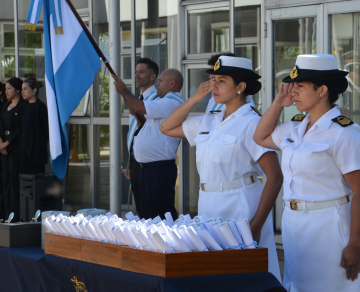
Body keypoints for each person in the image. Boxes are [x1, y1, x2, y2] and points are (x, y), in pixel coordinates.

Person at [159, 56, 282, 281]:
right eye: (213, 79)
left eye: (222, 81)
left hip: (240, 204)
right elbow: (166, 127)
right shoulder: (210, 120)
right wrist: (195, 98)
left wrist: (257, 224)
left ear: (241, 87)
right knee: (214, 274)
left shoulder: (252, 122)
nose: (214, 85)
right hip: (209, 204)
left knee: (246, 275)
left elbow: (275, 177)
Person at [253, 54, 360, 291]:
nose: (293, 92)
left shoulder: (345, 133)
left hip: (328, 225)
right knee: (297, 285)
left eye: (300, 86)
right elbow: (259, 137)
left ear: (322, 90)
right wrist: (277, 104)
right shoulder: (296, 126)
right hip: (294, 224)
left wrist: (355, 243)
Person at [112, 69, 184, 220]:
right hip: (148, 169)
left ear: (172, 83)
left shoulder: (173, 102)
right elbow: (143, 120)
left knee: (160, 217)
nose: (156, 84)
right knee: (147, 216)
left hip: (159, 169)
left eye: (160, 81)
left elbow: (139, 107)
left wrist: (124, 91)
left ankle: (165, 244)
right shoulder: (160, 101)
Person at [124, 58, 158, 217]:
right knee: (140, 209)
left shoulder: (157, 99)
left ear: (153, 76)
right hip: (136, 162)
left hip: (150, 164)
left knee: (152, 211)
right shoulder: (138, 99)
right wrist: (130, 162)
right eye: (136, 71)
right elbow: (134, 134)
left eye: (142, 72)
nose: (137, 75)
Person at [0, 78, 26, 222]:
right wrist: (1, 143)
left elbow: (21, 128)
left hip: (15, 148)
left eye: (9, 88)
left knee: (15, 180)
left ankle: (15, 215)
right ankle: (6, 214)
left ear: (17, 90)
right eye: (5, 89)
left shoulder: (22, 106)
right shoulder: (5, 105)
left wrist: (7, 143)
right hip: (3, 148)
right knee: (6, 181)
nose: (6, 91)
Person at [19, 78, 49, 174]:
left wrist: (44, 148)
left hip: (36, 150)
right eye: (22, 89)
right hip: (24, 148)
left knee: (36, 179)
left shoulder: (40, 107)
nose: (22, 91)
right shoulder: (24, 105)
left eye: (25, 89)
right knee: (25, 179)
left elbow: (46, 130)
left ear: (34, 90)